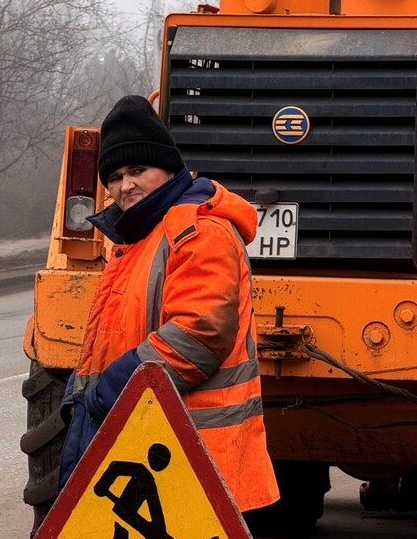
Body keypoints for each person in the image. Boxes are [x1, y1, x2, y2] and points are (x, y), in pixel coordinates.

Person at [57, 94, 279, 514]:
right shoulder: (138, 240)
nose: (126, 186)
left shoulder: (198, 232)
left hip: (192, 454)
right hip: (151, 451)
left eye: (139, 170)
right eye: (116, 176)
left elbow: (198, 334)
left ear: (170, 169)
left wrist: (108, 393)